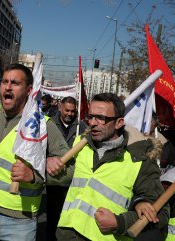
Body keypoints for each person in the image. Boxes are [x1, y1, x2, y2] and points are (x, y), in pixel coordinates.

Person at [0, 63, 68, 241]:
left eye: (15, 83)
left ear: (28, 90)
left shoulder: (43, 124)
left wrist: (35, 175)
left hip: (18, 222)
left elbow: (70, 170)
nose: (8, 87)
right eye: (5, 82)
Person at [47, 93, 169, 241]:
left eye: (101, 118)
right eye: (90, 116)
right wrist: (48, 164)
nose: (92, 122)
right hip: (65, 235)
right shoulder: (80, 144)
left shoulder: (140, 160)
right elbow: (64, 177)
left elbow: (161, 213)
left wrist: (120, 222)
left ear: (119, 123)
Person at [46, 96, 87, 241]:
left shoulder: (81, 127)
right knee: (52, 216)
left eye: (73, 111)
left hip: (73, 180)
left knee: (69, 218)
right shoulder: (49, 123)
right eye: (67, 110)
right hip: (54, 179)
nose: (70, 114)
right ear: (59, 108)